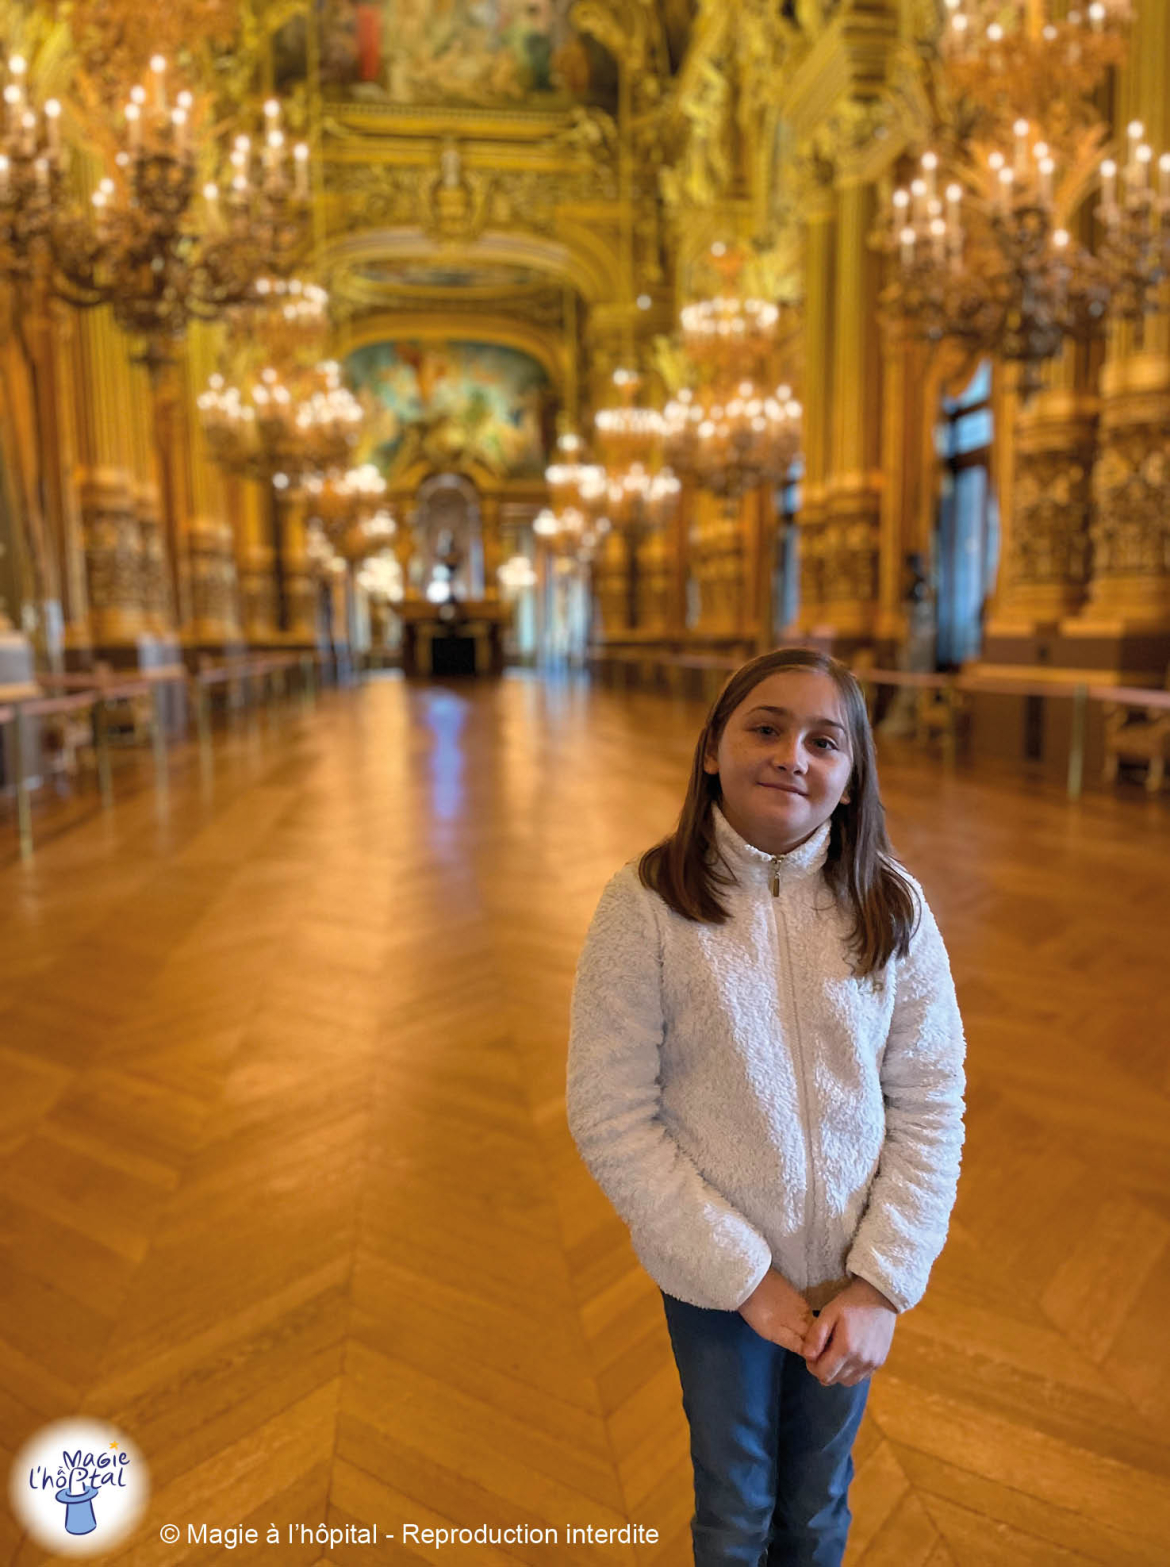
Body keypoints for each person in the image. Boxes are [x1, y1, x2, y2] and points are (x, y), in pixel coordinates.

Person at [566, 646, 967, 1567]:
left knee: (819, 1509)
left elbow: (931, 1097)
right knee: (737, 1509)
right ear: (712, 748)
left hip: (849, 1276)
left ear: (852, 773)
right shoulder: (647, 905)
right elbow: (609, 1110)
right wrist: (742, 1275)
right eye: (765, 727)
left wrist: (883, 1279)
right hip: (717, 1280)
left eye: (825, 740)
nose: (794, 753)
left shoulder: (892, 906)